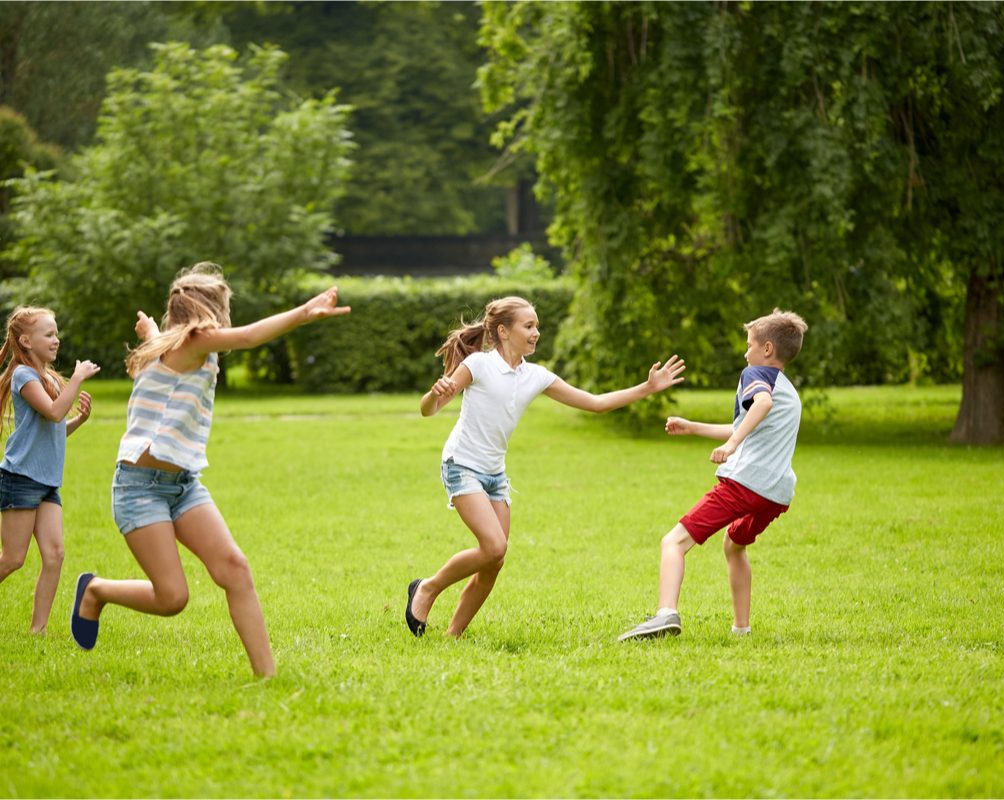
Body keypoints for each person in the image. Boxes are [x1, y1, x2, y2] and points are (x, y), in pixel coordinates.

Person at [69, 262, 349, 677]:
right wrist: (304, 313)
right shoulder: (198, 340)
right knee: (172, 598)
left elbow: (163, 347)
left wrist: (149, 331)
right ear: (211, 312)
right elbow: (252, 336)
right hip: (139, 488)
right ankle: (95, 590)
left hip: (183, 484)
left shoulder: (166, 344)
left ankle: (267, 676)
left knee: (234, 569)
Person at [406, 295, 686, 638]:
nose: (536, 332)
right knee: (493, 546)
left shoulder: (535, 376)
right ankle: (428, 588)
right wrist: (434, 395)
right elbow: (428, 410)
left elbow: (595, 404)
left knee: (495, 560)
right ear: (504, 331)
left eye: (537, 326)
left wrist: (648, 387)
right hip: (461, 464)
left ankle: (453, 636)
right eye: (529, 326)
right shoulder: (478, 365)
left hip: (495, 475)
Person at [618, 308, 808, 641]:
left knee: (673, 542)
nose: (745, 351)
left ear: (767, 350)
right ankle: (741, 629)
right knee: (734, 544)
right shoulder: (788, 391)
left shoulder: (755, 374)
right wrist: (693, 427)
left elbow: (758, 407)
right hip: (776, 493)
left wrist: (732, 444)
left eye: (749, 344)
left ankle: (666, 614)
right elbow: (747, 425)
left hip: (745, 483)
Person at [0, 307, 99, 633]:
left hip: (46, 482)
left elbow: (55, 428)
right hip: (21, 478)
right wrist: (79, 377)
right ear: (26, 341)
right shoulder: (23, 376)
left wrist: (80, 421)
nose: (56, 340)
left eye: (56, 334)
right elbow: (55, 412)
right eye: (49, 334)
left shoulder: (48, 378)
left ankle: (37, 631)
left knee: (55, 555)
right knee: (13, 558)